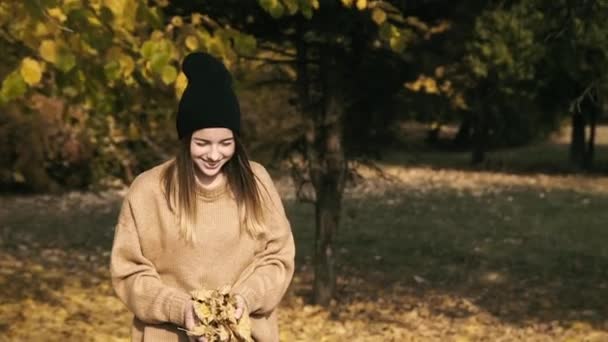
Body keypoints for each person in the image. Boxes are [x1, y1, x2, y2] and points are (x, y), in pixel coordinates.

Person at [110, 52, 296, 342]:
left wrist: (245, 299)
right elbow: (129, 272)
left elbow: (278, 258)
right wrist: (180, 308)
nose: (213, 154)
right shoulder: (148, 191)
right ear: (186, 141)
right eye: (202, 143)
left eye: (225, 143)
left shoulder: (257, 182)